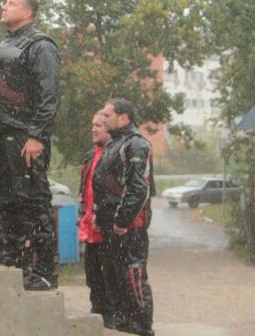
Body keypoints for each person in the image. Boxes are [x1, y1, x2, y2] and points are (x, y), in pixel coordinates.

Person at [0, 0, 60, 291]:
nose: (3, 5)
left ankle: (42, 271)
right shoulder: (2, 46)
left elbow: (49, 96)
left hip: (27, 136)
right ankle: (9, 265)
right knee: (3, 201)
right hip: (2, 135)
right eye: (4, 1)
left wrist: (37, 135)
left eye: (10, 3)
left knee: (34, 203)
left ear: (27, 12)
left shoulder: (41, 46)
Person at [95, 98, 155, 336]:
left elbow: (138, 188)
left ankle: (142, 327)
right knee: (114, 275)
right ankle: (123, 323)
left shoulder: (136, 144)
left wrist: (122, 220)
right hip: (111, 224)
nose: (103, 119)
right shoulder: (114, 143)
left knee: (134, 274)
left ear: (124, 118)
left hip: (131, 226)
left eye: (108, 116)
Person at [78, 110, 112, 326]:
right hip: (90, 229)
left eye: (99, 125)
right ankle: (98, 318)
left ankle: (111, 322)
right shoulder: (91, 154)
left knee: (111, 280)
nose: (94, 129)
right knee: (93, 279)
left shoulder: (116, 153)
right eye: (93, 124)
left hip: (108, 229)